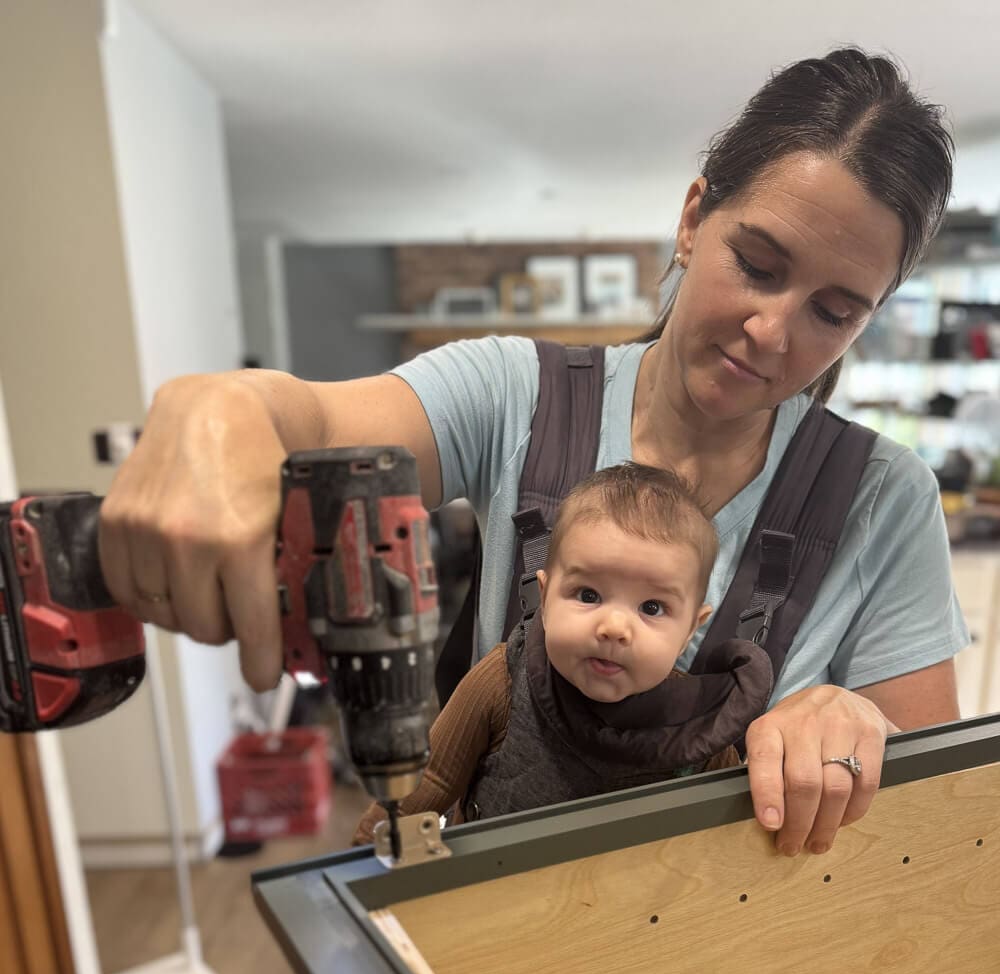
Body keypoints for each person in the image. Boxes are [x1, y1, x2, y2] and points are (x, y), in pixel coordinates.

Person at [97, 46, 965, 861]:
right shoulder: (515, 392)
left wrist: (853, 723)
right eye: (758, 264)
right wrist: (214, 407)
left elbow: (930, 813)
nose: (772, 332)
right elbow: (311, 422)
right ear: (695, 218)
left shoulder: (884, 501)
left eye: (834, 312)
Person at [354, 461, 773, 841]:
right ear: (546, 595)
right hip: (494, 894)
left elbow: (722, 833)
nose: (613, 628)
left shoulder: (699, 725)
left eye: (652, 608)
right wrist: (359, 867)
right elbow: (432, 780)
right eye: (588, 594)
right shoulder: (502, 680)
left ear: (688, 631)